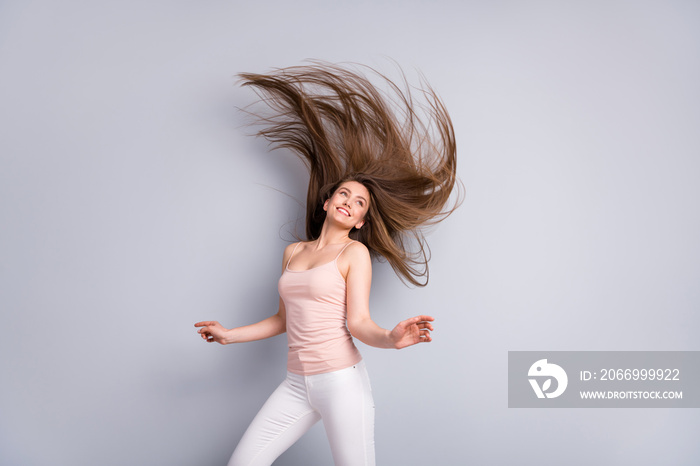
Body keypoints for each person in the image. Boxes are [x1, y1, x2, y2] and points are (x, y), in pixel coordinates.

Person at [195, 62, 460, 466]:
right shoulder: (294, 253)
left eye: (359, 204)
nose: (349, 202)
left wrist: (391, 337)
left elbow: (358, 324)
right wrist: (230, 335)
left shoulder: (353, 254)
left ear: (360, 221)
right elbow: (282, 319)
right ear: (327, 200)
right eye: (344, 194)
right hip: (296, 384)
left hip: (340, 383)